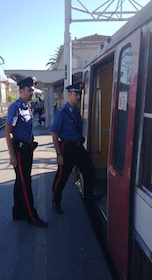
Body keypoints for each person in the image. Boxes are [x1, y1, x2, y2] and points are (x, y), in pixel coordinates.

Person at [51, 82, 103, 214]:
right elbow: (54, 134)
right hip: (66, 148)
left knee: (90, 170)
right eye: (76, 94)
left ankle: (88, 196)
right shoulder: (61, 113)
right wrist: (59, 154)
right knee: (61, 177)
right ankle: (56, 202)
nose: (78, 97)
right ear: (69, 95)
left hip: (78, 148)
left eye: (79, 94)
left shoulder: (76, 112)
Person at [5, 76, 48, 227]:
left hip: (27, 150)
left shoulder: (27, 106)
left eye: (33, 90)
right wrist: (11, 155)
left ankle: (18, 212)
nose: (32, 93)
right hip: (19, 151)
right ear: (21, 90)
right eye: (29, 90)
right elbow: (8, 132)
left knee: (20, 182)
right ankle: (32, 216)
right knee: (25, 184)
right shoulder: (15, 107)